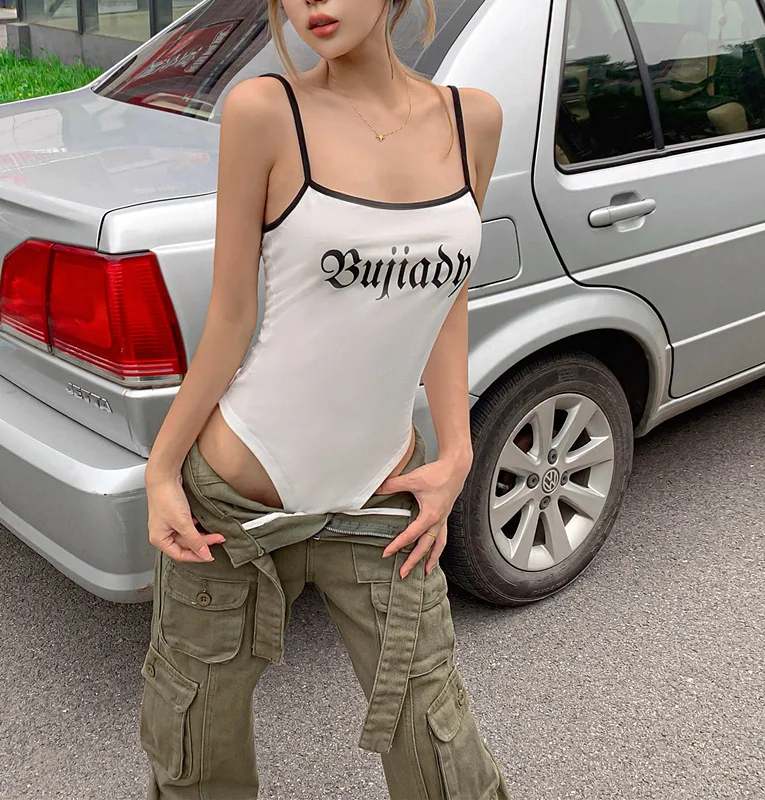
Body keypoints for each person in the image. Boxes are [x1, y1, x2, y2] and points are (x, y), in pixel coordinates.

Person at [139, 0, 508, 798]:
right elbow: (231, 316)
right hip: (237, 500)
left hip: (381, 495)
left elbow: (447, 299)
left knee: (442, 749)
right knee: (199, 757)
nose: (311, 4)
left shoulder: (473, 120)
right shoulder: (266, 112)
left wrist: (458, 451)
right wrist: (161, 471)